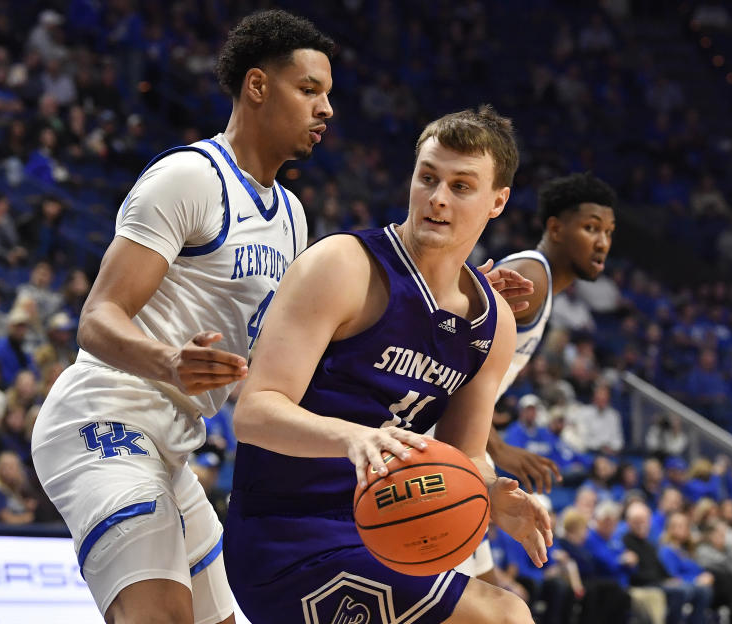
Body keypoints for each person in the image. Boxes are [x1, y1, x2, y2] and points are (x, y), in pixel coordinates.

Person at [31, 10, 334, 624]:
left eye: (327, 94)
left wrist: (444, 297)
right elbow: (97, 317)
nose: (325, 108)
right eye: (309, 90)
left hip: (172, 447)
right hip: (106, 417)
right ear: (257, 86)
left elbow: (292, 360)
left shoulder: (294, 217)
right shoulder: (190, 177)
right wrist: (169, 359)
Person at [225, 107, 551, 624]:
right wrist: (352, 437)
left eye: (462, 186)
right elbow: (254, 413)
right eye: (428, 178)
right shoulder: (344, 265)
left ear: (498, 202)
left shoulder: (495, 323)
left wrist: (491, 492)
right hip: (285, 535)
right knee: (504, 617)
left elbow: (465, 454)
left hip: (389, 533)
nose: (438, 198)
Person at [486, 171, 617, 491]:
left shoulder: (540, 284)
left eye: (609, 232)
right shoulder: (532, 279)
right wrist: (497, 447)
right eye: (591, 228)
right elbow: (448, 363)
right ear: (556, 228)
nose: (603, 242)